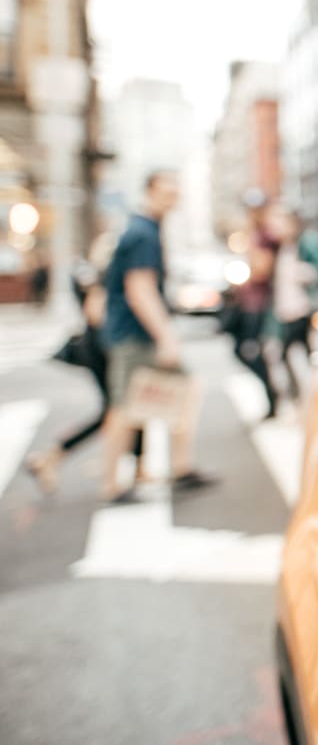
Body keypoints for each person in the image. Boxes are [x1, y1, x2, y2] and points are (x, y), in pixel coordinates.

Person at [99, 170, 215, 502]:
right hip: (135, 336)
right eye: (166, 191)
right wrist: (166, 336)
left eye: (175, 191)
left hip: (133, 334)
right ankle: (113, 482)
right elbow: (140, 290)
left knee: (141, 400)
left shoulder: (144, 229)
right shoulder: (143, 234)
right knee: (125, 405)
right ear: (149, 191)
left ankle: (177, 467)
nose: (172, 197)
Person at [24, 236, 144, 494]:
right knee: (116, 411)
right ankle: (50, 458)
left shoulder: (100, 273)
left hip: (102, 348)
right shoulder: (105, 276)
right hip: (103, 350)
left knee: (127, 407)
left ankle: (138, 467)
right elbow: (96, 313)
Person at [271, 208, 318, 404]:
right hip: (287, 310)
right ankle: (306, 394)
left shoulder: (307, 242)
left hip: (304, 308)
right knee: (295, 353)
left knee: (309, 353)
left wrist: (304, 272)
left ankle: (315, 392)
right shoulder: (283, 246)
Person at [230, 189, 280, 418]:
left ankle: (272, 394)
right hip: (249, 302)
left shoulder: (265, 236)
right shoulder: (254, 234)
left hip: (260, 304)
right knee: (244, 350)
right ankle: (271, 393)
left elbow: (261, 271)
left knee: (250, 350)